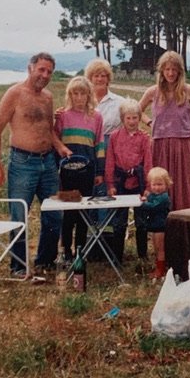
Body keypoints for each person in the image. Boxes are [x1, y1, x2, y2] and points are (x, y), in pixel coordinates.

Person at [0, 52, 66, 274]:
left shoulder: (48, 97)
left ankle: (45, 261)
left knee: (54, 213)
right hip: (22, 163)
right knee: (19, 215)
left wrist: (59, 146)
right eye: (41, 69)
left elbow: (48, 130)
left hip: (48, 163)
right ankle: (18, 266)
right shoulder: (14, 94)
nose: (45, 75)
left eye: (49, 71)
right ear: (30, 68)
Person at [139, 50, 190, 211]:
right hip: (159, 146)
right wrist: (149, 122)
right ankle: (160, 224)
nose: (170, 73)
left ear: (179, 71)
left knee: (183, 185)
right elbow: (136, 110)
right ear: (162, 71)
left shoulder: (188, 90)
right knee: (159, 185)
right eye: (167, 69)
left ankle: (185, 223)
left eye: (174, 69)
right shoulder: (153, 91)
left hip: (182, 146)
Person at [53, 76, 104, 264]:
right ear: (70, 95)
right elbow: (55, 139)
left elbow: (99, 144)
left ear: (89, 95)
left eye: (83, 93)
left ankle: (80, 251)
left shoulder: (96, 116)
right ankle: (66, 251)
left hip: (88, 171)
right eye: (75, 93)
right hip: (67, 172)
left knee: (84, 212)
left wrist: (100, 172)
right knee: (69, 212)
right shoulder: (63, 115)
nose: (79, 97)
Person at [105, 99, 153, 263]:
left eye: (135, 118)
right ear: (122, 119)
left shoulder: (144, 138)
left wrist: (148, 186)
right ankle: (117, 257)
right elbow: (110, 161)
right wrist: (110, 184)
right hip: (120, 183)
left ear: (139, 118)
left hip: (138, 182)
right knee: (119, 222)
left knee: (141, 222)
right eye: (128, 118)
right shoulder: (114, 137)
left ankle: (142, 256)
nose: (132, 122)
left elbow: (148, 163)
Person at [139, 166, 173, 279]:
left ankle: (161, 270)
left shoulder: (163, 197)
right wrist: (146, 198)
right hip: (154, 225)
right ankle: (158, 266)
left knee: (160, 248)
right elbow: (150, 199)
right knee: (155, 247)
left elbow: (153, 207)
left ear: (166, 184)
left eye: (160, 184)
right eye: (154, 185)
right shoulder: (154, 195)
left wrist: (143, 204)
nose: (157, 187)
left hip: (160, 226)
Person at [85, 58, 123, 136]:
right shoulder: (83, 101)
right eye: (96, 76)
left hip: (111, 144)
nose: (100, 79)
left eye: (103, 76)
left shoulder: (120, 102)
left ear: (108, 79)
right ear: (90, 79)